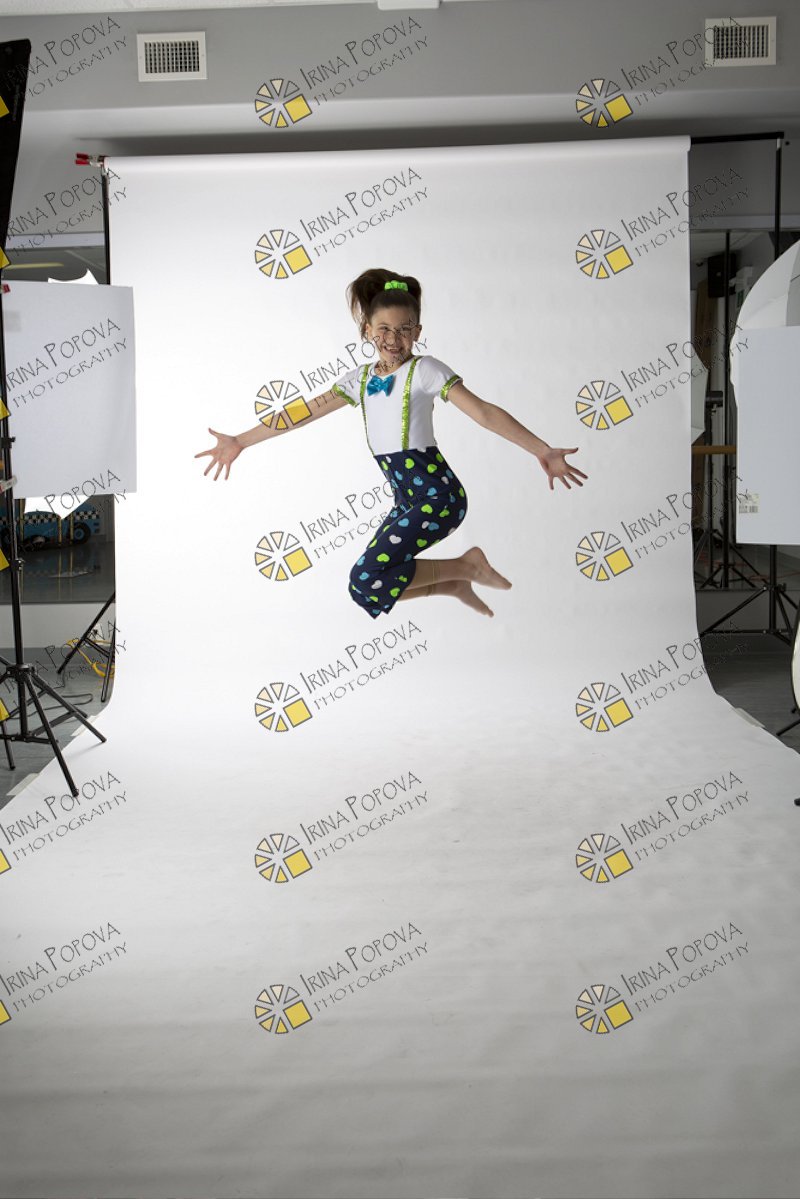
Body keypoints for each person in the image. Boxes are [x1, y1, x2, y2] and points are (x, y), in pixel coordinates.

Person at [196, 268, 587, 619]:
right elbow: (302, 412)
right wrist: (240, 441)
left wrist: (542, 449)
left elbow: (484, 412)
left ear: (417, 331)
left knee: (367, 575)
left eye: (404, 329)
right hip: (406, 499)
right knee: (364, 590)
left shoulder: (425, 370)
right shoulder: (360, 379)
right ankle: (453, 583)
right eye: (383, 329)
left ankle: (466, 567)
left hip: (439, 497)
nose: (393, 339)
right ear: (368, 329)